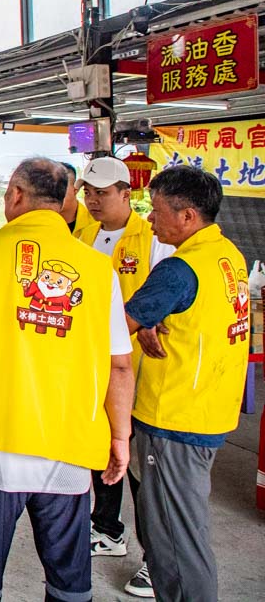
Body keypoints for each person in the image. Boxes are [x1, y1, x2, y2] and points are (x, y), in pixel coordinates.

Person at [0, 157, 134, 602]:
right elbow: (119, 365)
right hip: (70, 445)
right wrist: (120, 438)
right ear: (66, 202)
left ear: (15, 195)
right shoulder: (97, 270)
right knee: (69, 578)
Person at [123, 165, 248, 602]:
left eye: (157, 211)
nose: (151, 219)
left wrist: (139, 325)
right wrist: (150, 324)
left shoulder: (179, 269)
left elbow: (119, 327)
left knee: (173, 538)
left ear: (188, 216)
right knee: (184, 526)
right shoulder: (228, 255)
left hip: (174, 416)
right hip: (210, 409)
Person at [76, 155, 175, 596]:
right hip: (91, 367)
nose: (93, 201)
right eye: (88, 193)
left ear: (125, 193)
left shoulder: (154, 239)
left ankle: (157, 560)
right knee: (104, 453)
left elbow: (168, 296)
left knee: (141, 468)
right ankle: (108, 529)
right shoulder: (85, 235)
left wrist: (151, 322)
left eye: (101, 193)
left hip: (136, 372)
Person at [60, 162, 93, 234]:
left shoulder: (96, 222)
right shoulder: (36, 224)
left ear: (75, 190)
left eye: (60, 187)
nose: (53, 193)